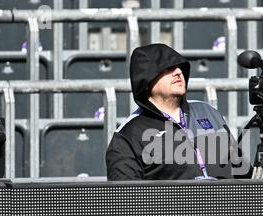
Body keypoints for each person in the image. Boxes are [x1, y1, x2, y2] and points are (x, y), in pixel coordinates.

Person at [106, 43, 250, 180]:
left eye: (179, 67)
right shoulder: (129, 135)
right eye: (168, 69)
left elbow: (242, 171)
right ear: (146, 79)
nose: (178, 72)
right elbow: (126, 199)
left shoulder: (207, 111)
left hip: (226, 205)